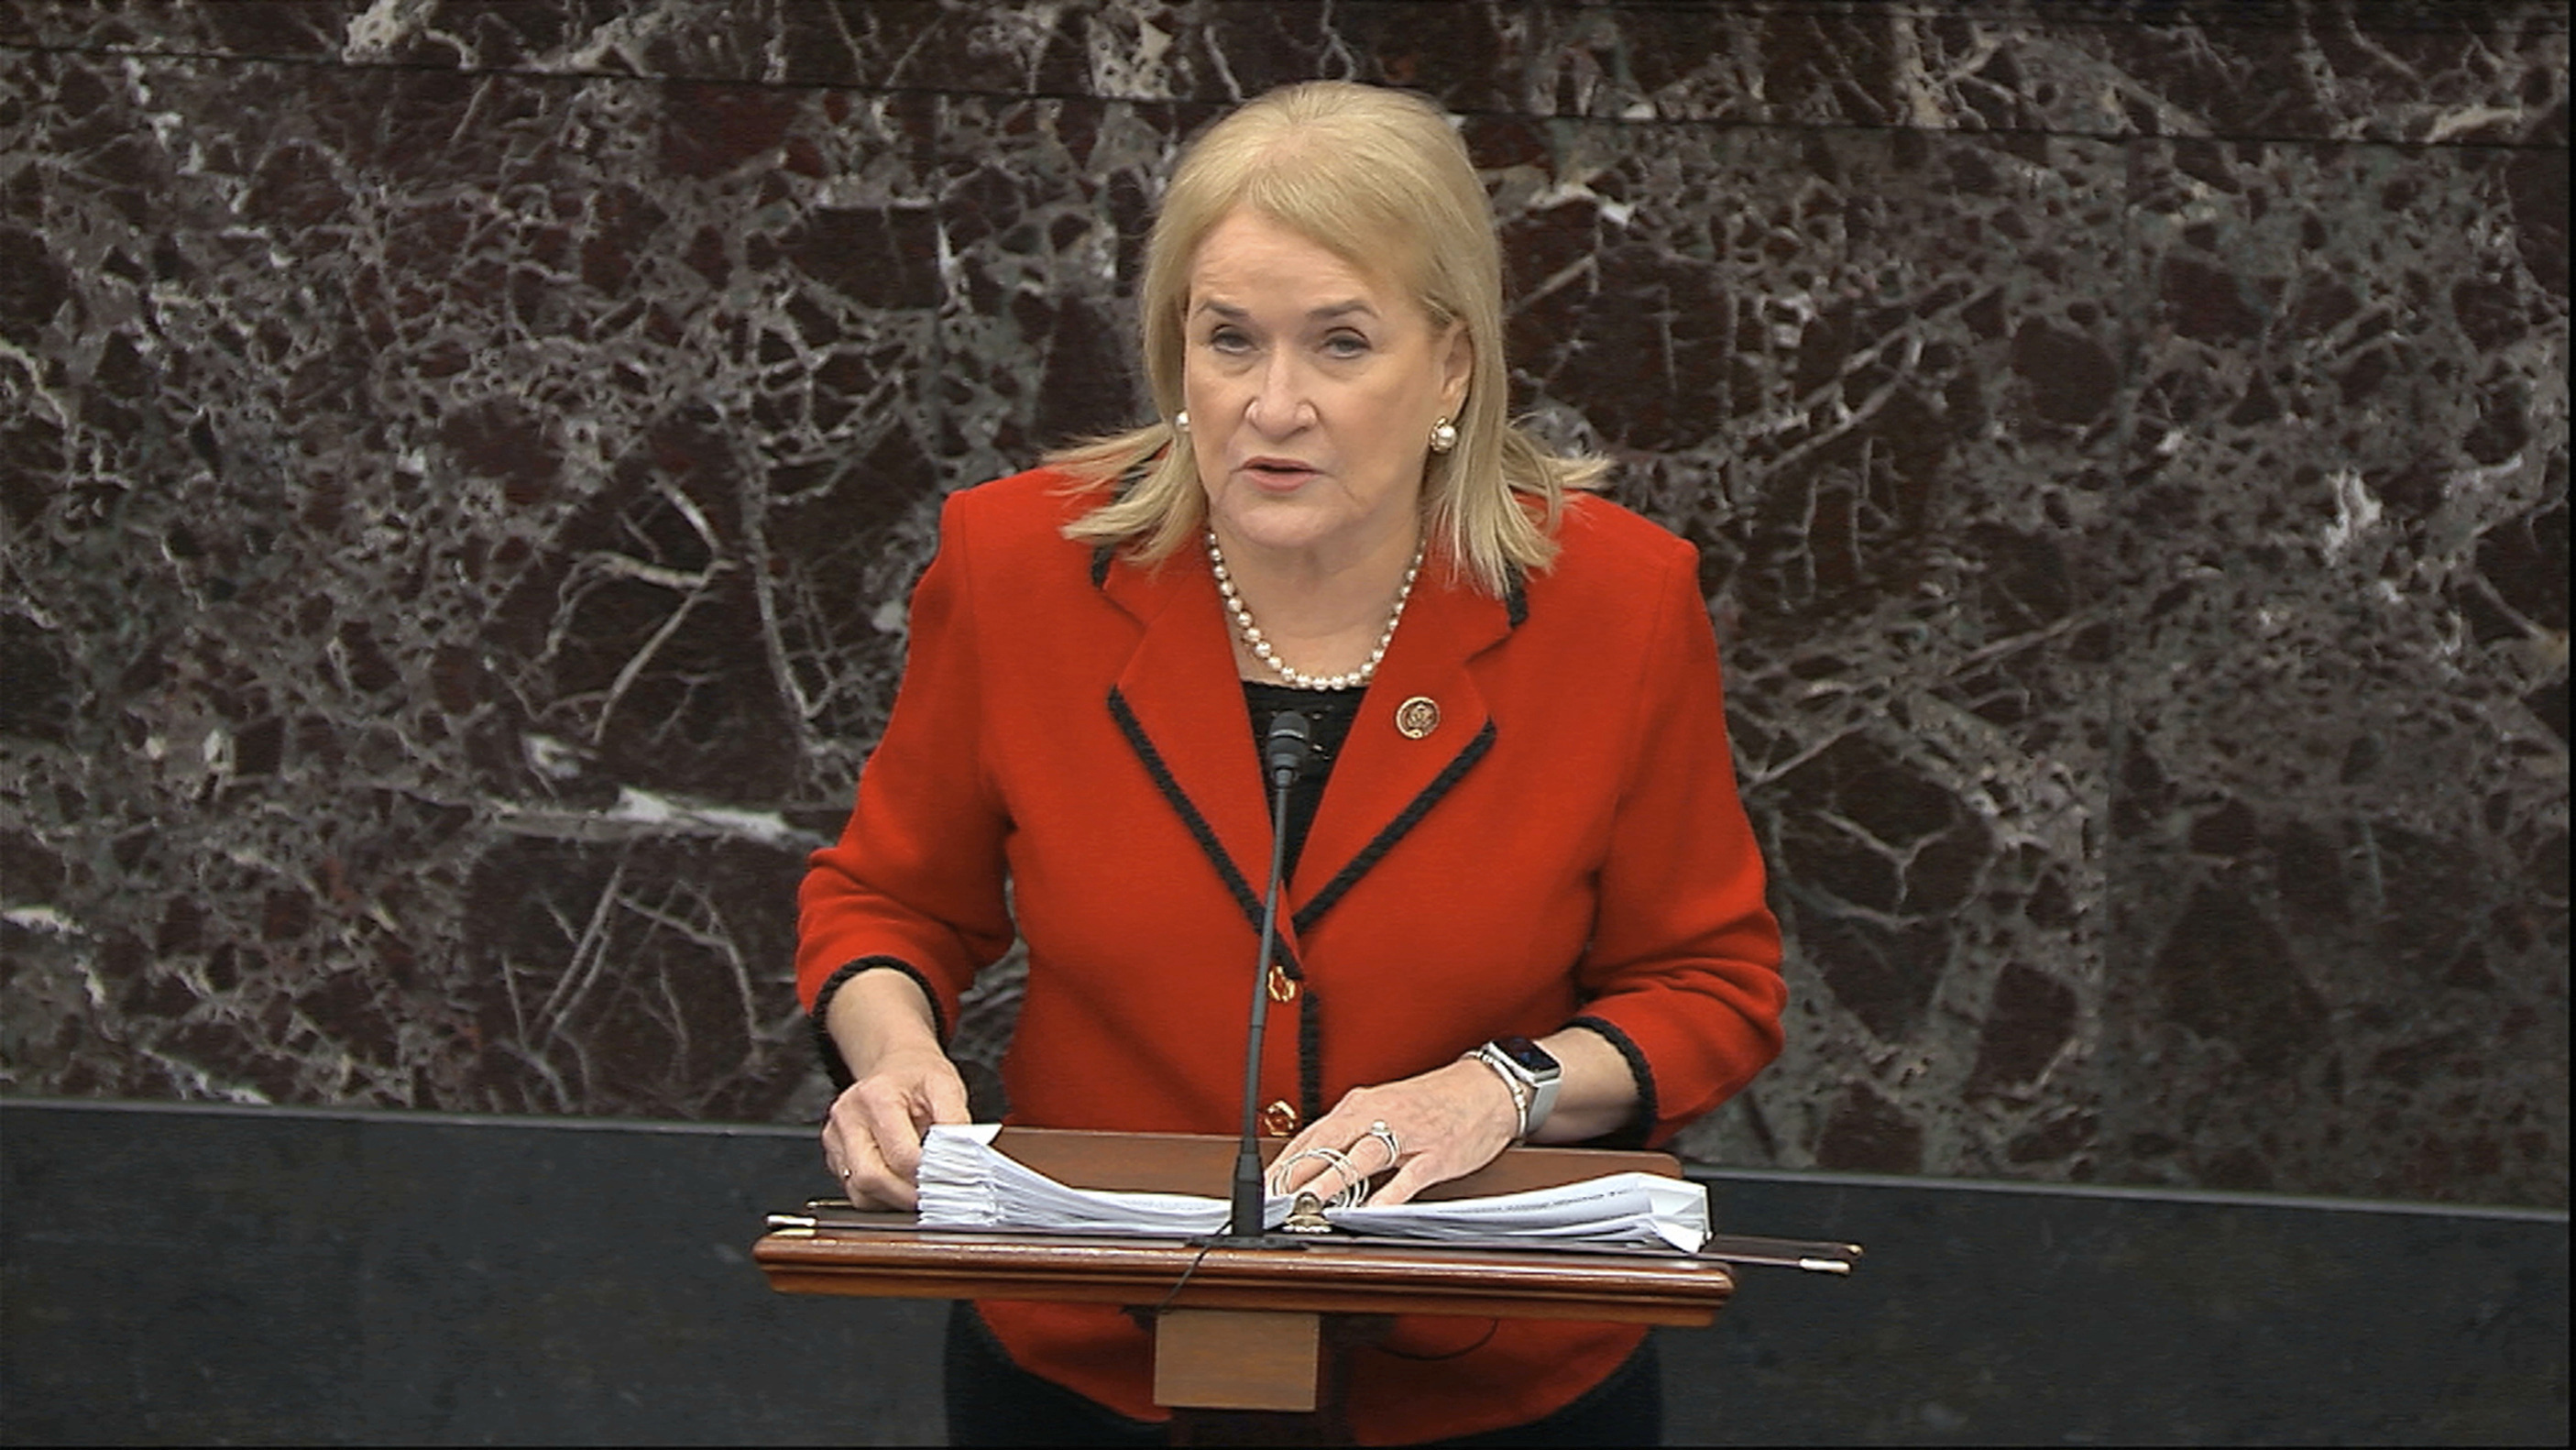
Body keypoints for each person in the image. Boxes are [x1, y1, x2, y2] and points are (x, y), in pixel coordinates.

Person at [796, 79, 1785, 1446]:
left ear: (1450, 366)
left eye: (1340, 343)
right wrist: (894, 1052)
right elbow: (888, 902)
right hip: (1087, 1360)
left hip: (1489, 1376)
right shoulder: (1015, 567)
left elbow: (1709, 986)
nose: (1274, 404)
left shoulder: (1616, 602)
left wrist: (1496, 1090)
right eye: (1229, 340)